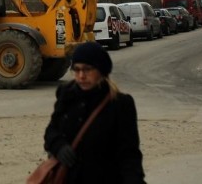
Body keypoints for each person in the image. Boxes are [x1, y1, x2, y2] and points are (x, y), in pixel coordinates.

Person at [42, 42, 145, 184]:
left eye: (87, 69)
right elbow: (51, 130)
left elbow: (129, 155)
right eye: (76, 70)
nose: (81, 76)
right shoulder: (66, 94)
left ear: (102, 70)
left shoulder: (120, 104)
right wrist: (59, 146)